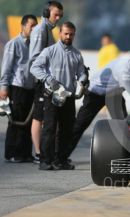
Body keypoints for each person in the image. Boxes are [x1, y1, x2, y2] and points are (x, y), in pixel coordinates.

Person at [64, 48, 130, 159]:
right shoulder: (125, 71)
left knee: (123, 126)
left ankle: (126, 157)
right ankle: (61, 157)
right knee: (79, 125)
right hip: (96, 93)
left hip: (113, 94)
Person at [30, 22, 87, 170]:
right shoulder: (49, 51)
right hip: (52, 96)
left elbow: (81, 72)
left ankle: (61, 160)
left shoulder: (76, 54)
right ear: (60, 33)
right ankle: (45, 161)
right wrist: (49, 80)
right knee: (49, 128)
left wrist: (82, 81)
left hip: (68, 96)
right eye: (66, 33)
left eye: (71, 34)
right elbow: (34, 67)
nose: (68, 36)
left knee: (67, 129)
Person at [29, 1, 63, 164]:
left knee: (46, 117)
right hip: (43, 80)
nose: (57, 18)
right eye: (55, 14)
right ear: (46, 13)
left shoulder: (49, 30)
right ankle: (37, 152)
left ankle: (44, 151)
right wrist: (45, 77)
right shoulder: (40, 30)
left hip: (49, 80)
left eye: (60, 16)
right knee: (38, 117)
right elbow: (35, 58)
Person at [0, 15, 38, 163]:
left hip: (30, 88)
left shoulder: (35, 46)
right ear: (23, 26)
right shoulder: (14, 44)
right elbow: (7, 67)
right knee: (16, 120)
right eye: (31, 26)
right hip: (17, 87)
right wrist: (3, 87)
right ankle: (12, 153)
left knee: (28, 121)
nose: (34, 29)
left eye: (36, 26)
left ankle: (25, 153)